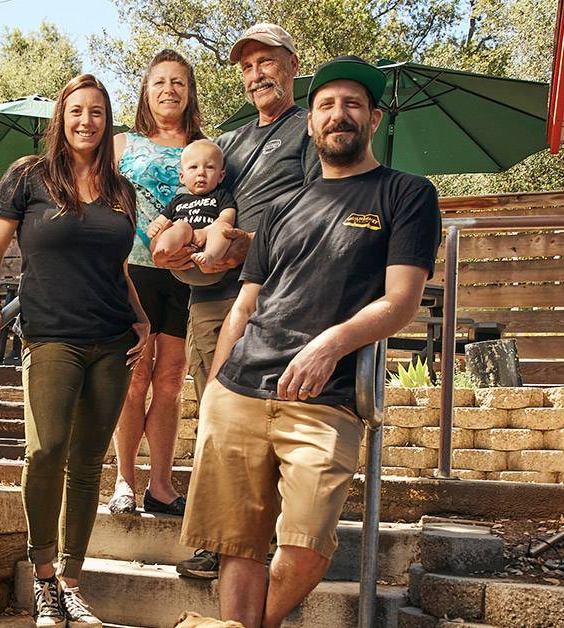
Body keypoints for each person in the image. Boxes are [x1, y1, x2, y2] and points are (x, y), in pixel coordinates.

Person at [178, 56, 441, 628]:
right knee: (237, 544)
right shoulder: (280, 209)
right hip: (240, 390)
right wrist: (216, 390)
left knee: (305, 549)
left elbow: (400, 301)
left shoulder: (406, 195)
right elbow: (245, 306)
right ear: (312, 123)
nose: (338, 115)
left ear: (373, 120)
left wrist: (330, 345)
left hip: (325, 400)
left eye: (352, 105)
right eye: (326, 105)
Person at [0, 73, 150, 627]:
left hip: (113, 340)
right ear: (61, 117)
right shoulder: (28, 177)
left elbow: (118, 268)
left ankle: (72, 581)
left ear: (108, 120)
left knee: (88, 461)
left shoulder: (122, 191)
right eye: (77, 111)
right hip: (50, 335)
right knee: (46, 449)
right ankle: (43, 574)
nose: (86, 121)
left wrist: (142, 319)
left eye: (97, 112)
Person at [153, 23, 320, 580]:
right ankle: (219, 542)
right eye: (247, 67)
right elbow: (199, 202)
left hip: (277, 295)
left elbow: (326, 209)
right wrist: (179, 245)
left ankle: (273, 542)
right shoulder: (231, 142)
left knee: (273, 417)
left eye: (266, 62)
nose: (256, 75)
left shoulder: (311, 131)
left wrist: (252, 244)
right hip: (213, 298)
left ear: (292, 65)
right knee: (216, 415)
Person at [108, 49, 204, 517]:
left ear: (189, 94)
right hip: (132, 272)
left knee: (169, 380)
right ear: (146, 92)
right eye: (160, 82)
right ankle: (124, 481)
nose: (169, 90)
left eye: (179, 83)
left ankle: (161, 486)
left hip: (188, 276)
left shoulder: (207, 148)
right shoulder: (123, 144)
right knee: (135, 377)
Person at [145, 139, 237, 285]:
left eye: (210, 167)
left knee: (223, 228)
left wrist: (207, 231)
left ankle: (210, 257)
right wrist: (155, 226)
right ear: (182, 177)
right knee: (179, 225)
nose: (201, 173)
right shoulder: (178, 200)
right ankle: (164, 250)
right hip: (182, 257)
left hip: (211, 252)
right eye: (193, 167)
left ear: (221, 176)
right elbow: (162, 220)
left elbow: (227, 217)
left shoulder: (221, 195)